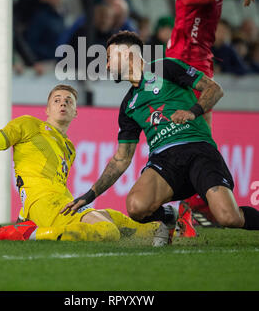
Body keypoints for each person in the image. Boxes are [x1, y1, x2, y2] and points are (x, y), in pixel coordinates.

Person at [61, 31, 259, 244]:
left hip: (198, 149)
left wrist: (192, 112)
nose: (107, 65)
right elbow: (121, 159)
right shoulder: (128, 105)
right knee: (136, 207)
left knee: (228, 217)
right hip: (165, 161)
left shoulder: (164, 67)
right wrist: (89, 195)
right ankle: (169, 217)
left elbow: (214, 89)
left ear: (127, 54)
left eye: (109, 57)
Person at [0, 76, 159, 244]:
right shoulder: (28, 125)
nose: (62, 103)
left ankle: (172, 227)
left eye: (68, 100)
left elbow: (48, 182)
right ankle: (27, 235)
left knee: (119, 220)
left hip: (64, 202)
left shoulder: (70, 149)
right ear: (47, 109)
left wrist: (22, 218)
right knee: (108, 231)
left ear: (75, 112)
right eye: (56, 100)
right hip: (43, 203)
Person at [164, 0, 259, 223]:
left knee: (200, 133)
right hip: (183, 57)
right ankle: (192, 203)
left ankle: (192, 204)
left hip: (202, 57)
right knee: (197, 133)